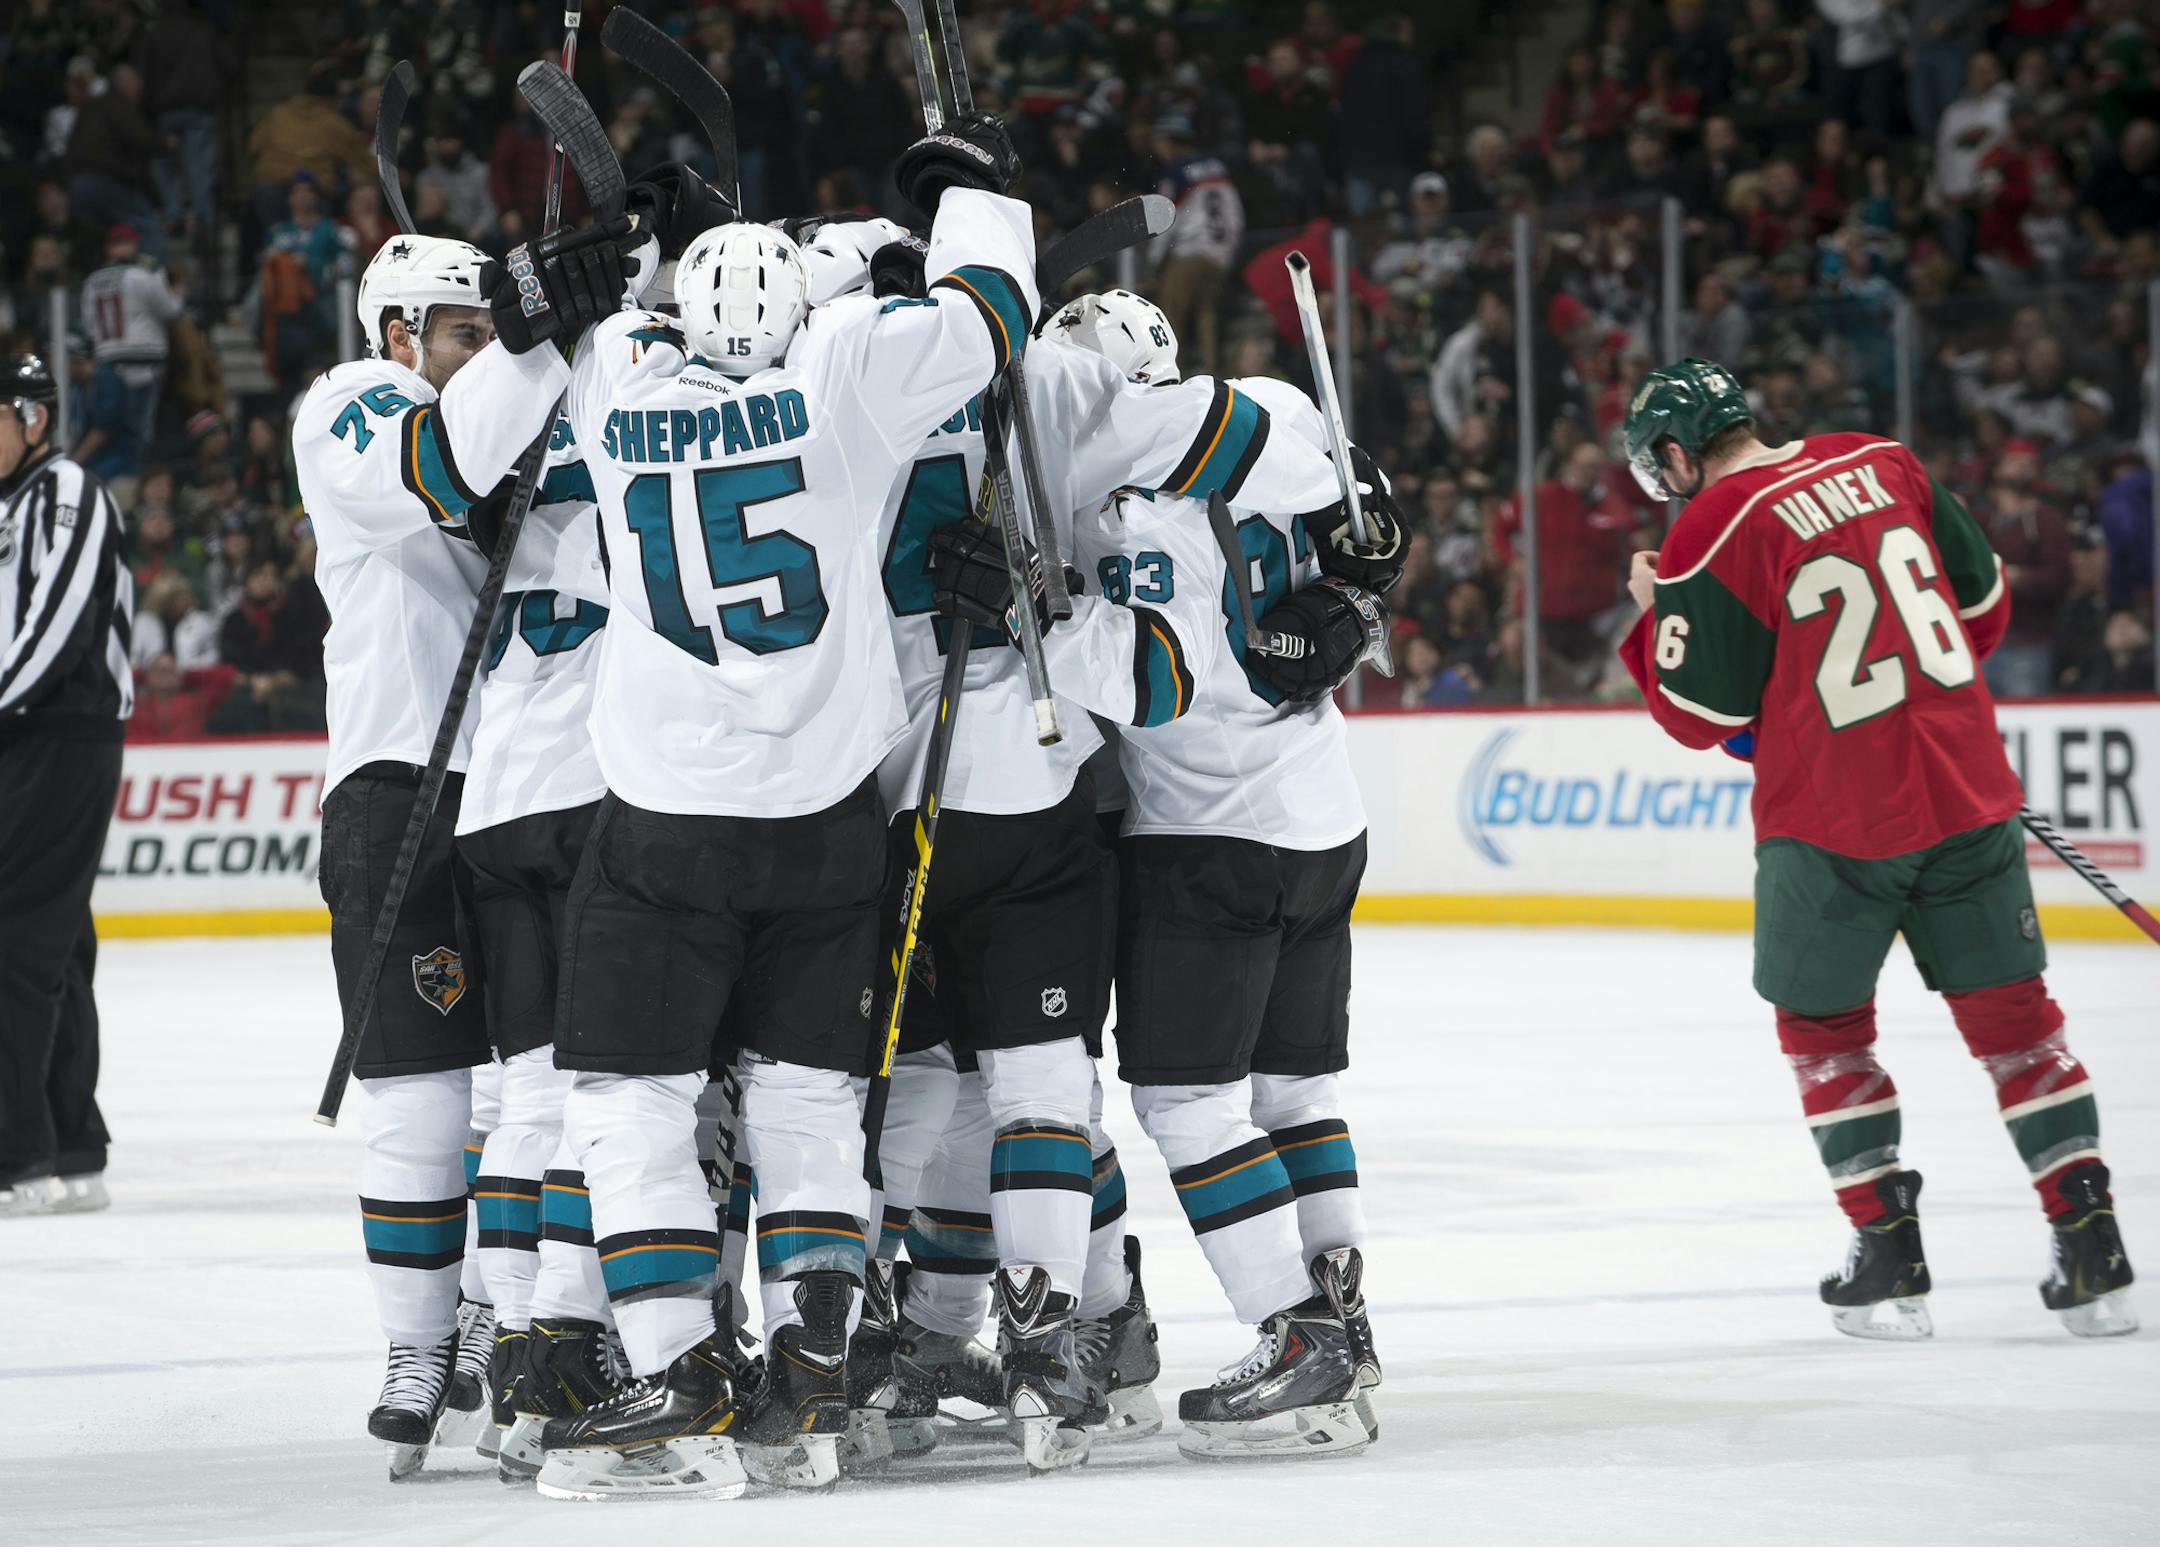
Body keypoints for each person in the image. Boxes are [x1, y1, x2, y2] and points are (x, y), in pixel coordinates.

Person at [532, 112, 1038, 1501]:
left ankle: (676, 1364)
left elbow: (620, 298)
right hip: (824, 819)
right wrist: (975, 194)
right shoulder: (845, 373)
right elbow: (989, 314)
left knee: (629, 1103)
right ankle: (813, 1363)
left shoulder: (618, 378)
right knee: (811, 1100)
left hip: (661, 826)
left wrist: (646, 230)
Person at [1618, 357, 2137, 1343]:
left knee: (1825, 1028)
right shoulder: (1886, 459)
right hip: (1969, 790)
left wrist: (1660, 609)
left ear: (1681, 454)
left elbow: (1701, 713)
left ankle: (1889, 1257)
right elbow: (1981, 615)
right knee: (2020, 1026)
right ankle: (2094, 1245)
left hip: (1834, 822)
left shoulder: (1710, 526)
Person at [291, 213, 639, 1479]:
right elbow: (437, 465)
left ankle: (505, 1319)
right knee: (420, 1094)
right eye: (462, 329)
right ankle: (415, 1347)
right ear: (396, 333)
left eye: (487, 328)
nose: (481, 347)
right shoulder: (352, 401)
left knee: (531, 1084)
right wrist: (537, 334)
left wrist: (568, 324)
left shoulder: (514, 420)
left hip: (513, 785)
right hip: (395, 784)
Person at [1058, 298, 1403, 1461]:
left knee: (1188, 1103)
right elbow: (1363, 510)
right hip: (1326, 817)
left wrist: (1033, 623)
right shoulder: (1278, 411)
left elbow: (1158, 682)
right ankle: (1342, 1316)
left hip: (1209, 833)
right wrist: (1371, 560)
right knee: (1295, 1091)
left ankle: (1292, 1329)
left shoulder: (1109, 495)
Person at [0, 354, 134, 1218]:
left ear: (34, 419)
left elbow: (56, 628)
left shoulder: (68, 492)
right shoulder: (14, 502)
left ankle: (18, 1151)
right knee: (53, 936)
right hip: (25, 731)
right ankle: (69, 1139)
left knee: (15, 935)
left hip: (60, 732)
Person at [78, 224, 185, 491]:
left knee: (105, 429)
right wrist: (180, 294)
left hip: (106, 361)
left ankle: (91, 479)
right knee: (134, 435)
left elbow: (89, 324)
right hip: (141, 363)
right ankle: (116, 486)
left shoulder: (92, 280)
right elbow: (169, 309)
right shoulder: (144, 272)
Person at [1149, 115, 1245, 378]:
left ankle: (1167, 376)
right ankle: (1216, 375)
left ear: (1169, 142)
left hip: (1189, 252)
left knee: (1170, 316)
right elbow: (1236, 212)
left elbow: (1165, 216)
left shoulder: (1176, 171)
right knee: (1207, 315)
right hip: (1220, 251)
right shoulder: (1218, 167)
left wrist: (1155, 260)